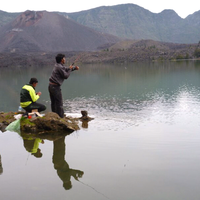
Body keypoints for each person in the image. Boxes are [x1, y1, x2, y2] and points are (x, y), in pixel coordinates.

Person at [48, 54, 79, 118]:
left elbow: (66, 69)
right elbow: (66, 76)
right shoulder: (59, 67)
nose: (65, 59)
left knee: (53, 103)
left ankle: (54, 116)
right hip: (55, 87)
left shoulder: (58, 65)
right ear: (62, 59)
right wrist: (70, 69)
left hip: (51, 86)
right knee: (59, 103)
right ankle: (61, 118)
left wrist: (73, 68)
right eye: (64, 58)